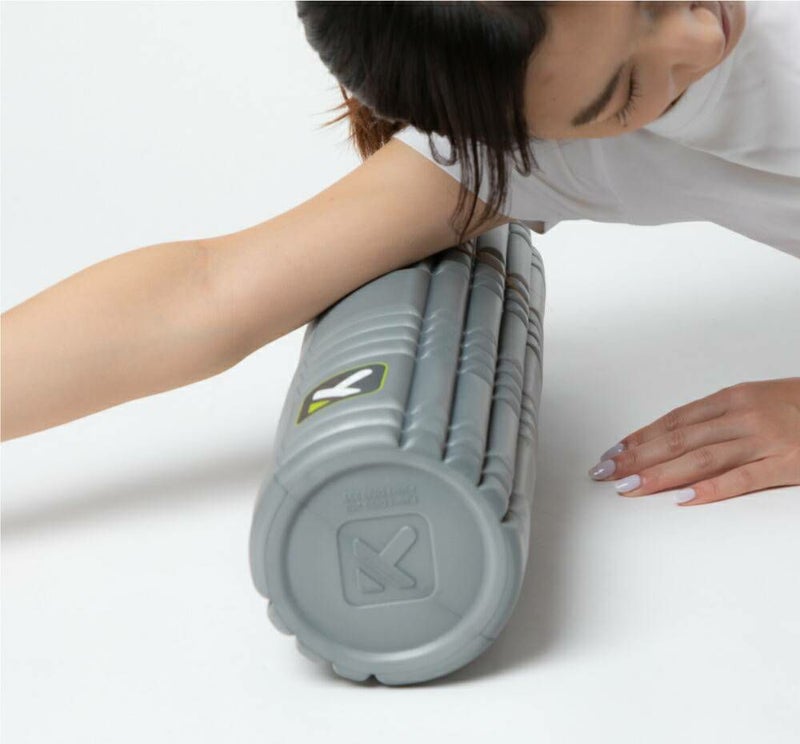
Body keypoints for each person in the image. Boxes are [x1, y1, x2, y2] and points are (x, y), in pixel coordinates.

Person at [2, 1, 798, 507]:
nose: (702, 34)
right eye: (623, 92)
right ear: (518, 132)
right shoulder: (546, 155)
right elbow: (205, 293)